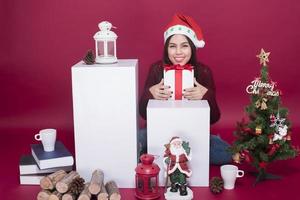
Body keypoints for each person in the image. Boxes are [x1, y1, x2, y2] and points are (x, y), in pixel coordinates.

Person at [139, 13, 232, 165]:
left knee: (226, 154)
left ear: (193, 47)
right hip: (159, 129)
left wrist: (206, 95)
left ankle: (188, 153)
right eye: (172, 46)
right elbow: (143, 113)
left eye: (184, 46)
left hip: (192, 131)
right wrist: (150, 94)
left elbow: (214, 117)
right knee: (137, 142)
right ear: (166, 49)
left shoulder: (203, 72)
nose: (178, 52)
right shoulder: (156, 69)